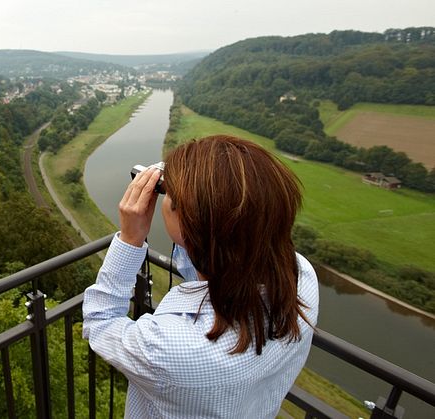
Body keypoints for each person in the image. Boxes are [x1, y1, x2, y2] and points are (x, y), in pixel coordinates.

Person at [83, 135, 319, 418]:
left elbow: (100, 322)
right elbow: (213, 252)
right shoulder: (301, 275)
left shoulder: (170, 348)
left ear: (189, 225)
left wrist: (131, 238)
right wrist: (190, 188)